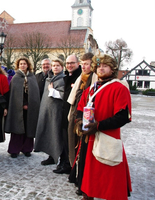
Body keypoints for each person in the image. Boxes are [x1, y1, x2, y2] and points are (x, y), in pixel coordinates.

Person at [75, 53, 132, 200]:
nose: (101, 69)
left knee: (109, 172)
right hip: (90, 136)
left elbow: (123, 116)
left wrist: (99, 126)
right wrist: (79, 122)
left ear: (112, 69)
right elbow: (80, 108)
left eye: (105, 66)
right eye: (99, 66)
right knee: (89, 170)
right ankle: (88, 194)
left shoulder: (119, 88)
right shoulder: (91, 89)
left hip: (107, 135)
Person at [67, 53, 98, 195]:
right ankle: (76, 174)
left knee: (83, 149)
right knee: (74, 144)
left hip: (88, 117)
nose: (85, 66)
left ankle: (83, 180)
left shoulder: (95, 79)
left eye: (87, 64)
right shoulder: (82, 77)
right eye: (83, 63)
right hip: (76, 114)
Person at [5, 57, 40, 158]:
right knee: (17, 129)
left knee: (29, 128)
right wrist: (23, 103)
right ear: (18, 65)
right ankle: (14, 150)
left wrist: (30, 104)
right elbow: (14, 95)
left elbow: (35, 94)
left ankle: (27, 149)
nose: (23, 65)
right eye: (21, 64)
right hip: (17, 108)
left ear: (28, 65)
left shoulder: (32, 77)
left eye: (24, 63)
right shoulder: (15, 78)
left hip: (30, 108)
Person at [53, 54, 82, 174]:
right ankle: (64, 162)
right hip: (65, 112)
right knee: (64, 140)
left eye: (72, 63)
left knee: (70, 141)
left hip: (74, 114)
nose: (69, 65)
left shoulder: (79, 77)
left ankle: (69, 165)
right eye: (68, 63)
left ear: (78, 64)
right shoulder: (68, 76)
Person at [34, 59, 65, 166]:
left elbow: (64, 95)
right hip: (47, 111)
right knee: (48, 134)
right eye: (54, 65)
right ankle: (51, 156)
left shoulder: (63, 79)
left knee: (56, 134)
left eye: (58, 65)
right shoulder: (49, 79)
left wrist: (53, 91)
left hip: (56, 112)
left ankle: (59, 157)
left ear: (62, 67)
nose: (55, 67)